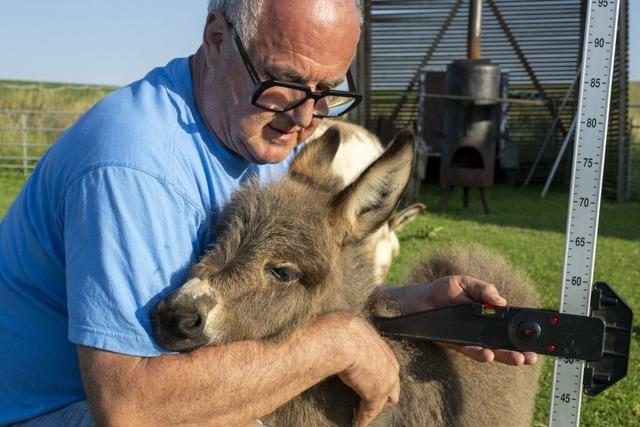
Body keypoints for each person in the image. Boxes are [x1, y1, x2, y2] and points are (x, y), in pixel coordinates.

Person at [0, 1, 537, 425]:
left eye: (327, 92)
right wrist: (338, 341)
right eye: (284, 79)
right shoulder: (135, 167)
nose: (305, 117)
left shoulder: (250, 133)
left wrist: (404, 309)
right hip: (56, 411)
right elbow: (133, 411)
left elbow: (276, 288)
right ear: (216, 39)